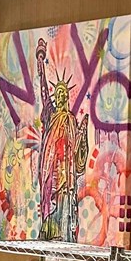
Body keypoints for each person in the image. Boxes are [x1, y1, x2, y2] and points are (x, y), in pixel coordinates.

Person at [35, 38, 89, 241]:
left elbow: (77, 153)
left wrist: (83, 135)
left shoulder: (70, 120)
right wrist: (40, 62)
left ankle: (63, 236)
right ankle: (50, 233)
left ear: (66, 97)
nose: (58, 97)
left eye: (61, 93)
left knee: (65, 206)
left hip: (67, 173)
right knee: (52, 204)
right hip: (51, 169)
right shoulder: (50, 114)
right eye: (56, 93)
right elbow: (42, 92)